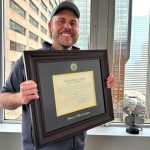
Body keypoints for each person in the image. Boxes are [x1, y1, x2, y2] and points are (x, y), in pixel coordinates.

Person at [0, 1, 114, 150]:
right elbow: (2, 99)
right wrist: (19, 97)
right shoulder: (29, 63)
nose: (68, 26)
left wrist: (104, 86)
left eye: (73, 23)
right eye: (61, 21)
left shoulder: (87, 63)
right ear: (50, 26)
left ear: (78, 30)